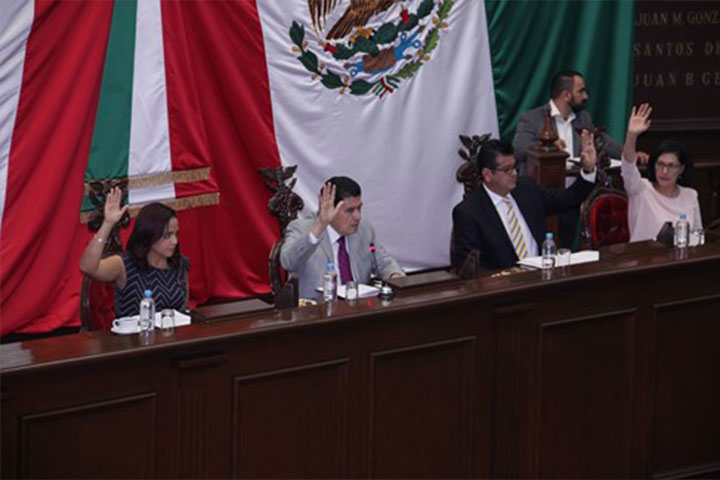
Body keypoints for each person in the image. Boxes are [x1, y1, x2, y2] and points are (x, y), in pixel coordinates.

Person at [452, 135, 597, 271]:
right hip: (505, 285)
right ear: (488, 174)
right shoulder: (469, 213)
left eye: (515, 167)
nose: (514, 173)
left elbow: (568, 199)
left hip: (543, 276)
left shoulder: (526, 189)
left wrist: (588, 170)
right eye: (507, 170)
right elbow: (472, 267)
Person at [280, 176, 404, 298]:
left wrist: (395, 276)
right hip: (318, 307)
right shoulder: (302, 229)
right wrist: (320, 225)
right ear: (330, 208)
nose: (358, 216)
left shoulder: (364, 229)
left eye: (359, 208)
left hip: (359, 306)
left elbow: (383, 261)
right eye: (350, 210)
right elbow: (288, 262)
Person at [79, 187, 189, 318]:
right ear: (150, 235)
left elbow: (184, 309)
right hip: (134, 330)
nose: (175, 241)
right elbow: (87, 267)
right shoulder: (125, 264)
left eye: (176, 234)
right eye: (167, 236)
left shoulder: (179, 263)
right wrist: (108, 223)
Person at [512, 70, 630, 166]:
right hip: (542, 185)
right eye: (581, 91)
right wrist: (548, 148)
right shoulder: (532, 118)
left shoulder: (583, 118)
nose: (585, 96)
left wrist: (628, 154)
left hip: (577, 185)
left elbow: (601, 141)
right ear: (566, 95)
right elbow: (519, 150)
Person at [621, 103, 702, 242]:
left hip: (680, 255)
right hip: (642, 255)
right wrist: (631, 136)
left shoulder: (690, 196)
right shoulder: (640, 189)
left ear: (681, 169)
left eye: (671, 166)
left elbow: (697, 236)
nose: (664, 171)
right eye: (660, 164)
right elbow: (628, 166)